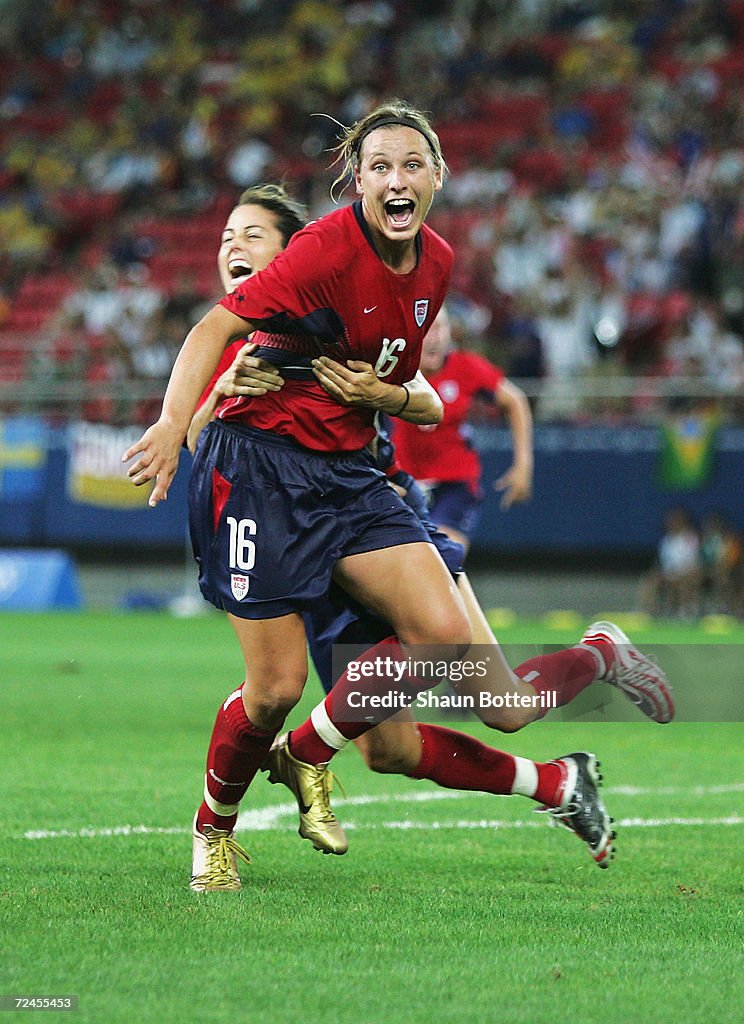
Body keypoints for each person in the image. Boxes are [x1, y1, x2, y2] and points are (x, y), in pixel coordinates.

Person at [123, 103, 666, 893]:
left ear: (437, 175)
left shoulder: (402, 268)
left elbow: (424, 396)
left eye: (411, 164)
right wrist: (182, 420)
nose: (236, 249)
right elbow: (216, 351)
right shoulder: (263, 323)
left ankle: (316, 751)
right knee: (337, 720)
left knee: (488, 695)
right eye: (226, 238)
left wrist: (382, 391)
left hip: (359, 490)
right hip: (269, 489)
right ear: (356, 180)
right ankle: (221, 827)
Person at [392, 304, 533, 554]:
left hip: (454, 486)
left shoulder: (465, 367)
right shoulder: (393, 369)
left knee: (444, 556)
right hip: (403, 485)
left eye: (439, 328)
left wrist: (523, 464)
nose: (433, 337)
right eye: (425, 329)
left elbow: (515, 401)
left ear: (450, 333)